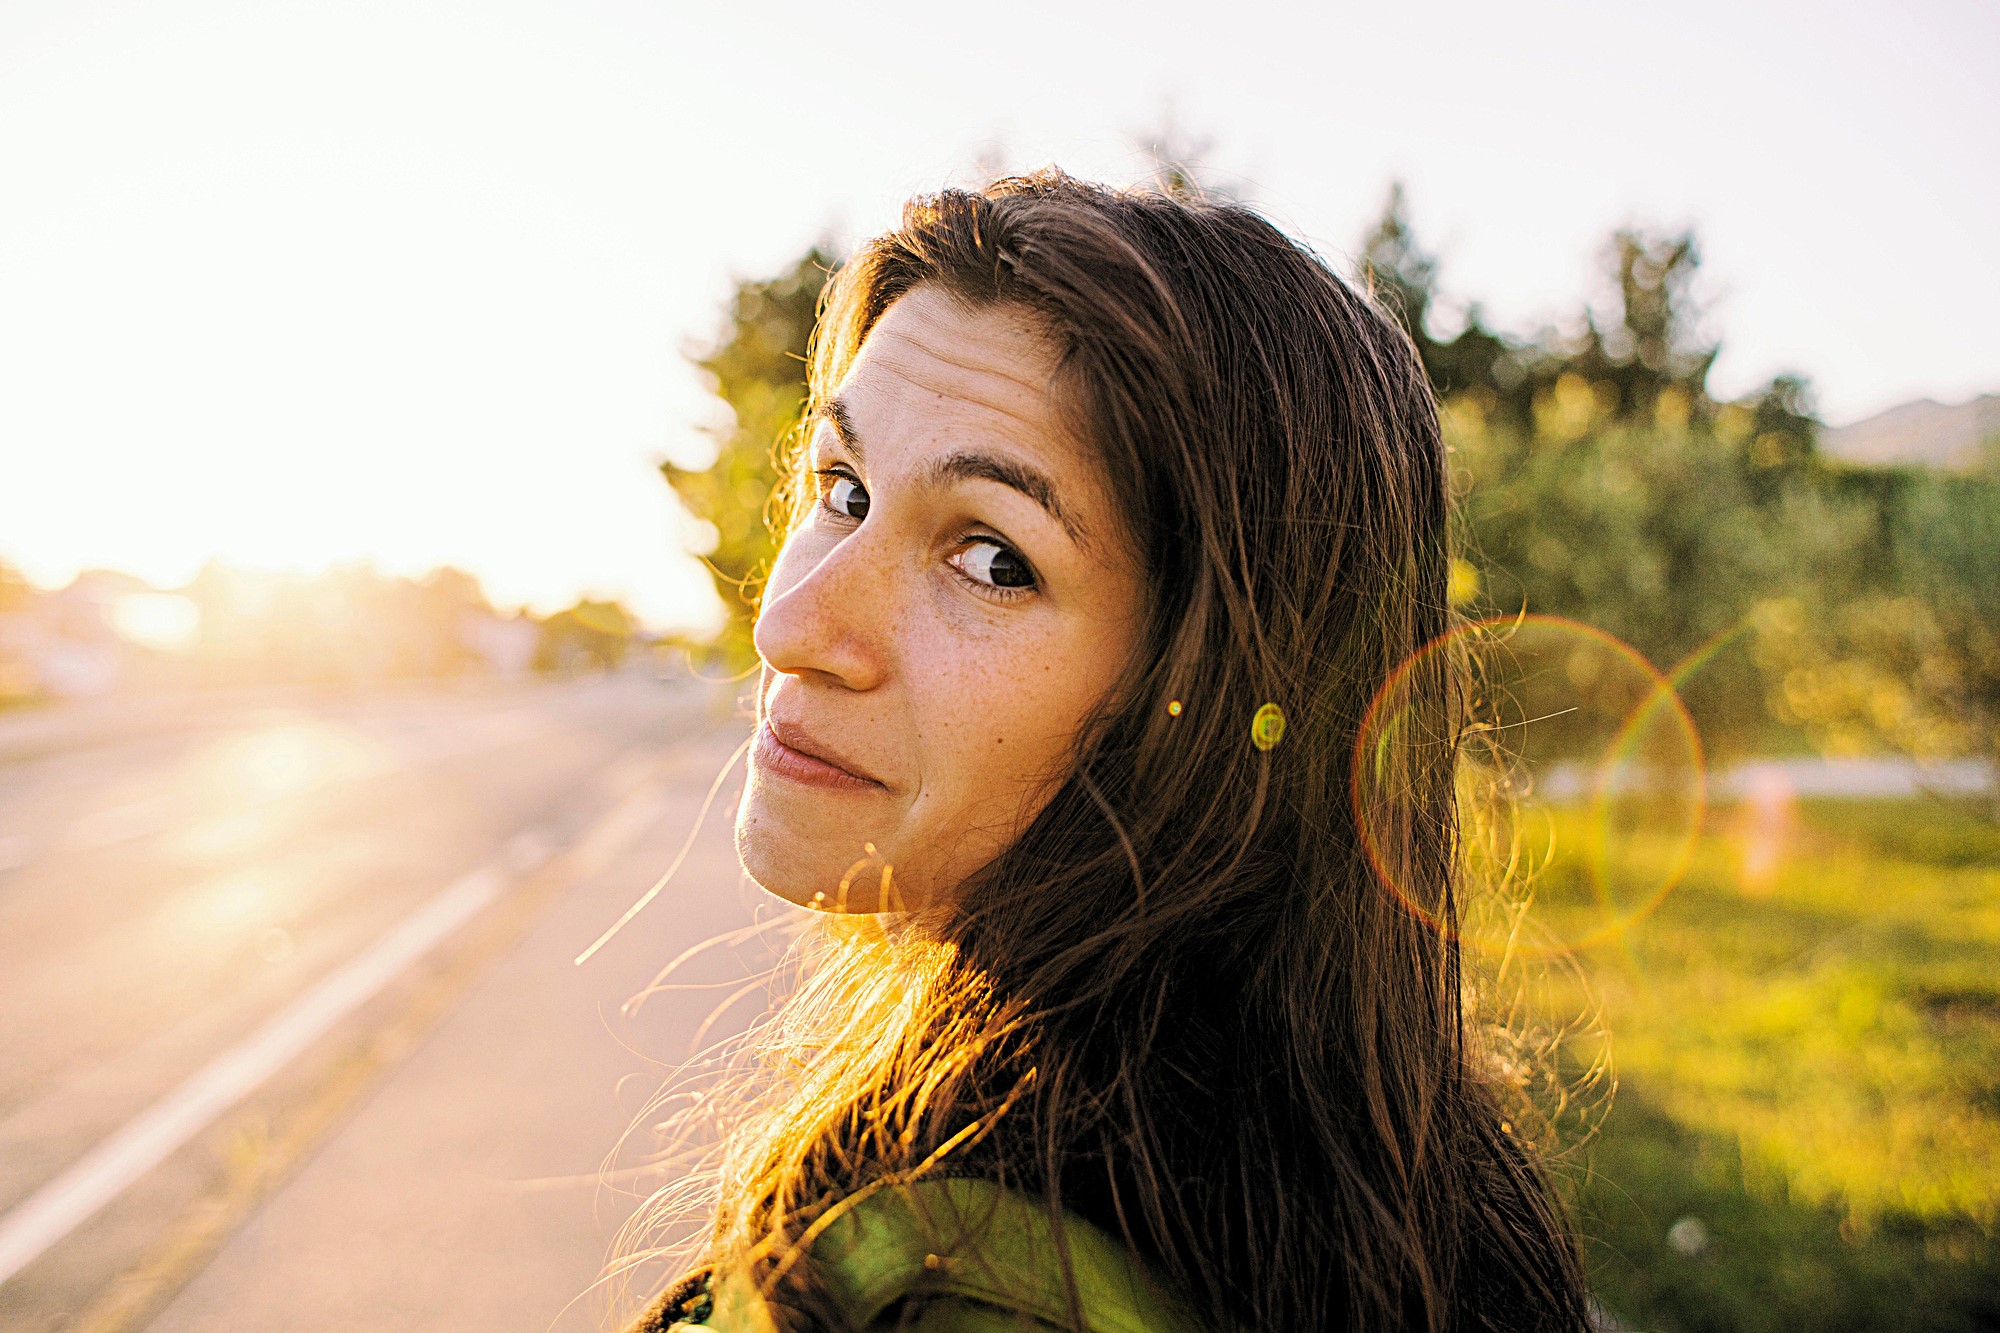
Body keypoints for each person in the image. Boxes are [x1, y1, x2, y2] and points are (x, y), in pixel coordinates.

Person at [622, 169, 1592, 1332]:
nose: (792, 627)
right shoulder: (1396, 1187)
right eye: (841, 490)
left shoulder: (958, 1278)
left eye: (990, 558)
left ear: (1216, 689)